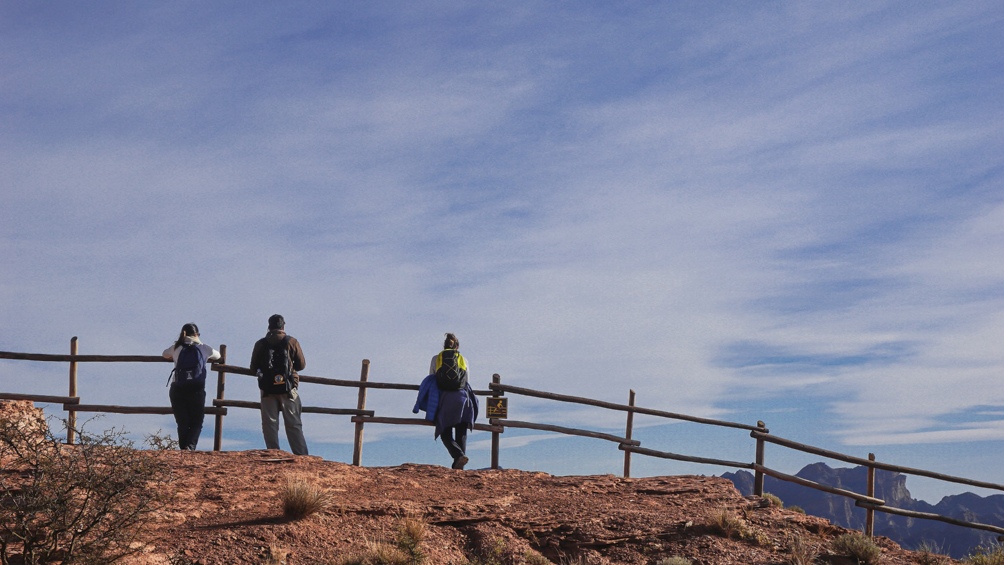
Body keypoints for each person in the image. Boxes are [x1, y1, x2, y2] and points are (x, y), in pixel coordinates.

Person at [413, 333, 478, 469]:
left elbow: (432, 376)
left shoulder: (436, 358)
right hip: (463, 398)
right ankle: (459, 465)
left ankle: (458, 456)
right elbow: (467, 381)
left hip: (445, 398)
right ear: (457, 347)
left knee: (444, 431)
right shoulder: (464, 359)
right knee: (461, 431)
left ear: (444, 346)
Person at [250, 314, 308, 455]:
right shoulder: (292, 341)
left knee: (270, 423)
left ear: (269, 326)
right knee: (293, 423)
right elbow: (301, 365)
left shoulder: (260, 343)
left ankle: (273, 452)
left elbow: (253, 367)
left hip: (267, 390)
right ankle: (301, 455)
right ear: (283, 326)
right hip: (288, 388)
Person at [162, 323, 221, 450]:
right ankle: (190, 447)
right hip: (196, 388)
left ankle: (183, 449)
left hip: (178, 387)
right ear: (197, 334)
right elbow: (218, 356)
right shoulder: (204, 348)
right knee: (197, 421)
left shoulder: (176, 347)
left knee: (182, 421)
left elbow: (164, 354)